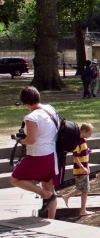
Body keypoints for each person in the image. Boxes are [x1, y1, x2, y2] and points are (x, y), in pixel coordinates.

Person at [9, 87, 60, 219]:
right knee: (49, 185)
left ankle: (44, 194)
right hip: (52, 154)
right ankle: (51, 218)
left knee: (15, 179)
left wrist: (19, 139)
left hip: (38, 155)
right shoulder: (50, 109)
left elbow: (31, 141)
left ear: (25, 103)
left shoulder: (32, 117)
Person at [61, 123, 94, 216]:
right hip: (80, 170)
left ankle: (67, 197)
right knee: (85, 189)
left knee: (82, 188)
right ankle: (82, 210)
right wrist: (82, 167)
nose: (90, 136)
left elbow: (83, 155)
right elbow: (75, 157)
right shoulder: (78, 142)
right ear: (84, 131)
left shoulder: (82, 141)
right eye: (89, 133)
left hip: (83, 169)